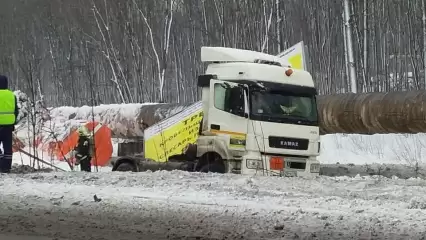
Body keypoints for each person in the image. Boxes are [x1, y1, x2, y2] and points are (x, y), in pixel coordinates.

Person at [0, 75, 19, 173]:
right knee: (7, 147)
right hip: (8, 126)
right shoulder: (12, 95)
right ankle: (6, 168)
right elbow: (16, 110)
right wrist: (13, 122)